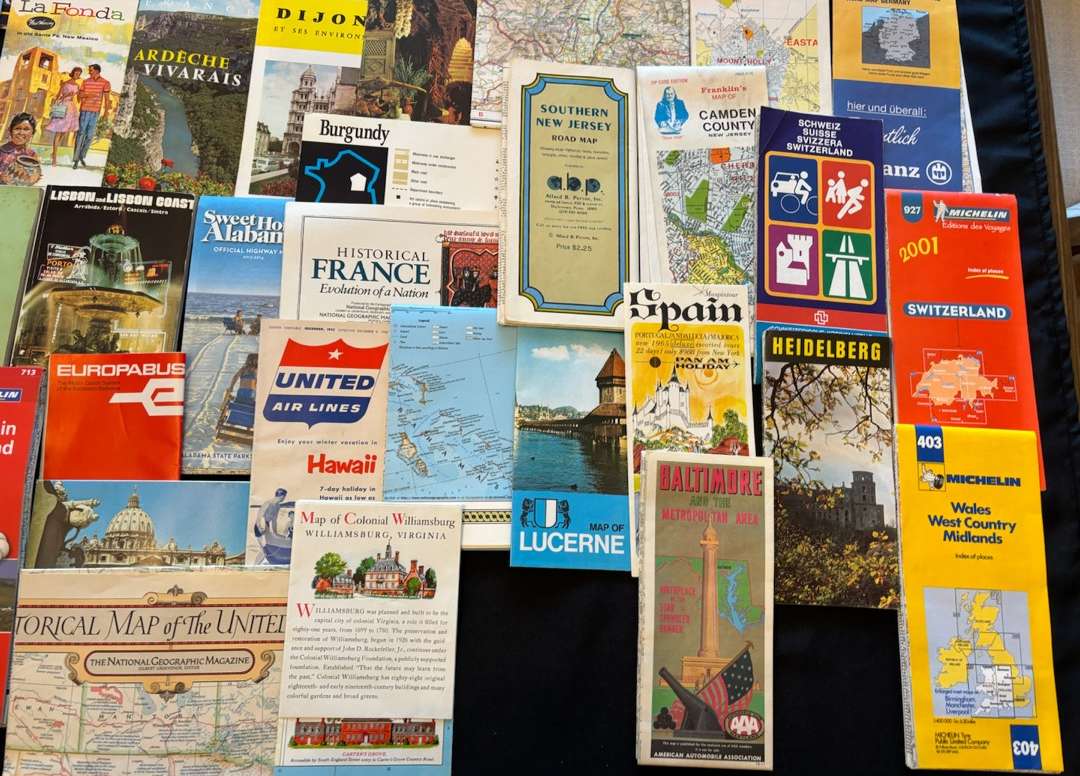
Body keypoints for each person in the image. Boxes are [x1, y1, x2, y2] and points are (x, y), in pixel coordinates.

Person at [73, 63, 111, 170]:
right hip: (84, 110)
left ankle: (81, 156)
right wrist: (90, 95)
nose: (89, 72)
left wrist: (106, 113)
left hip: (95, 113)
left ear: (97, 71)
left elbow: (107, 99)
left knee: (90, 136)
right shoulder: (85, 82)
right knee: (81, 134)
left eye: (91, 70)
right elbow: (80, 95)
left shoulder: (105, 83)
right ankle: (76, 160)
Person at [47, 67, 81, 166]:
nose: (77, 75)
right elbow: (58, 97)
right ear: (72, 73)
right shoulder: (65, 83)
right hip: (63, 106)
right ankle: (54, 158)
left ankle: (53, 153)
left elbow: (79, 99)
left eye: (79, 74)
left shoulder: (78, 85)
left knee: (64, 131)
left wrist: (80, 93)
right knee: (58, 132)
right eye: (76, 73)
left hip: (71, 108)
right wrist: (67, 95)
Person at [0, 113, 42, 185]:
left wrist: (34, 177)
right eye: (17, 128)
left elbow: (35, 177)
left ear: (33, 133)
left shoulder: (32, 155)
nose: (21, 132)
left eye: (26, 129)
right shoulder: (2, 151)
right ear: (10, 130)